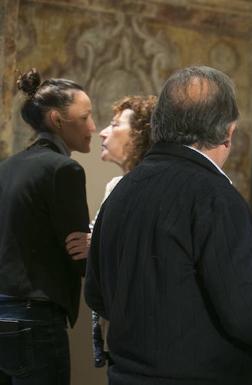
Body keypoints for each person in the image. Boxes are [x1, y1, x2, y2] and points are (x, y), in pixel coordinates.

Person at [84, 66, 252, 385]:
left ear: (160, 124)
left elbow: (96, 295)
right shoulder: (215, 198)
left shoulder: (122, 191)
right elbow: (246, 313)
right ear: (228, 132)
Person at [0, 69, 95, 384]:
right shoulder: (64, 170)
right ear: (57, 120)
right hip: (35, 319)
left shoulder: (7, 167)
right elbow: (78, 254)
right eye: (85, 118)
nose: (93, 127)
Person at [92, 95, 157, 367]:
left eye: (116, 124)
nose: (103, 132)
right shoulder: (116, 185)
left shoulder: (153, 188)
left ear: (140, 135)